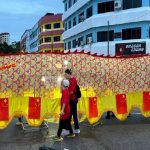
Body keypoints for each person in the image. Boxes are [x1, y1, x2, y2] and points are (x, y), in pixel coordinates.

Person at [64, 69, 80, 134]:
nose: (64, 75)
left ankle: (68, 129)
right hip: (75, 100)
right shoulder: (74, 79)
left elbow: (71, 92)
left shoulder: (70, 80)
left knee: (69, 114)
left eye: (65, 74)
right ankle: (77, 129)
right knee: (74, 114)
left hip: (71, 100)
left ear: (68, 74)